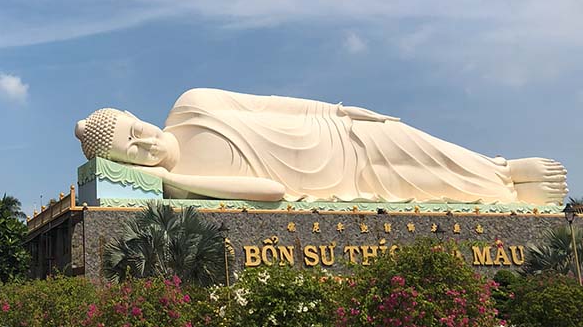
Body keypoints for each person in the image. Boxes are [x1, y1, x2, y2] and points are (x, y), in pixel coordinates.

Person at [75, 88, 567, 204]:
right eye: (131, 152)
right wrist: (170, 180)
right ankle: (506, 191)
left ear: (138, 114)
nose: (145, 142)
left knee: (421, 146)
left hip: (336, 136)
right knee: (425, 184)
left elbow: (271, 106)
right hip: (337, 179)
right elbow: (270, 192)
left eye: (135, 128)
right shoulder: (183, 187)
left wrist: (336, 111)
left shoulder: (191, 105)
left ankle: (500, 166)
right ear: (125, 165)